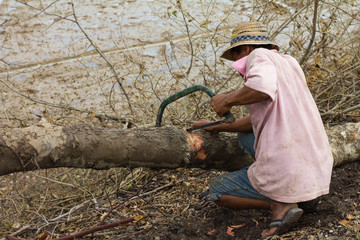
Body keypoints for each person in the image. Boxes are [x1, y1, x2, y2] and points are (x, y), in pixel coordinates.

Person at [192, 22, 333, 237]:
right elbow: (255, 120)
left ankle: (281, 204)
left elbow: (260, 88)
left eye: (237, 55)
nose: (239, 64)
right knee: (244, 137)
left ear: (247, 49)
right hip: (318, 165)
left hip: (287, 166)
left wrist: (226, 101)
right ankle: (302, 193)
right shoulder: (289, 63)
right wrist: (214, 127)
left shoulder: (258, 56)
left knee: (217, 190)